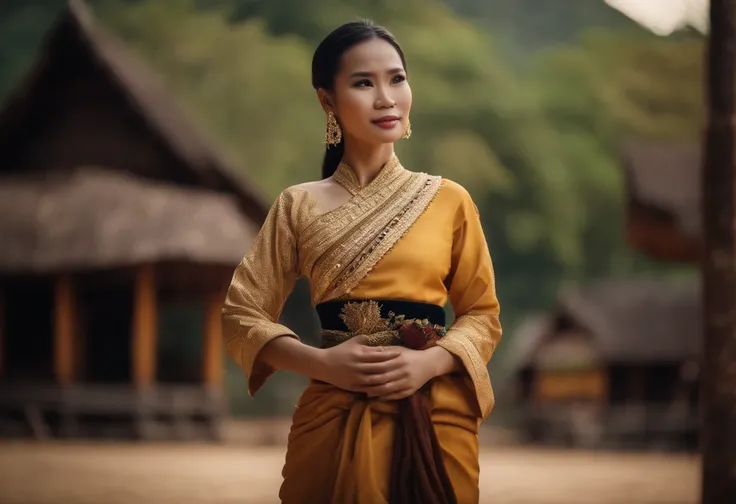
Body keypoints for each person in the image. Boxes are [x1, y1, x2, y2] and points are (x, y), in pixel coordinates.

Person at [222, 19, 502, 504]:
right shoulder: (297, 205)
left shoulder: (450, 200)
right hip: (333, 413)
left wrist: (432, 363)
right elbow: (241, 315)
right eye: (363, 83)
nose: (386, 97)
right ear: (327, 100)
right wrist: (323, 363)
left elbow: (483, 314)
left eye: (396, 78)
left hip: (436, 416)